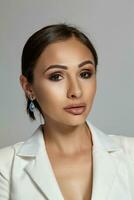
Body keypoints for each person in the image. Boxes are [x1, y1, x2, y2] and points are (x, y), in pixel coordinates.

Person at [0, 23, 134, 200]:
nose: (76, 91)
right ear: (28, 87)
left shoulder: (131, 155)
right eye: (56, 76)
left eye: (85, 74)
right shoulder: (5, 167)